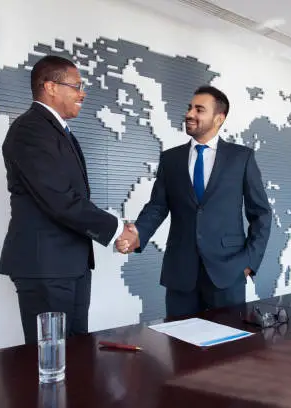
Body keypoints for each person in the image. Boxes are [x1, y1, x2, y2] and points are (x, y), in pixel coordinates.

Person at [0, 55, 124, 344]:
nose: (83, 93)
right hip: (46, 267)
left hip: (71, 265)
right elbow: (59, 199)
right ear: (51, 87)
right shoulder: (30, 130)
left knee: (77, 355)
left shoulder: (60, 133)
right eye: (77, 86)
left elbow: (72, 198)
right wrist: (117, 229)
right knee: (50, 360)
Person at [116, 86, 272, 318]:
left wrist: (249, 261)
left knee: (229, 348)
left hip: (228, 271)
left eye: (199, 109)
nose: (190, 114)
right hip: (180, 272)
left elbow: (261, 214)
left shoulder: (241, 158)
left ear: (219, 118)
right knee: (180, 347)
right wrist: (137, 233)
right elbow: (158, 206)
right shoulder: (171, 159)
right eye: (190, 108)